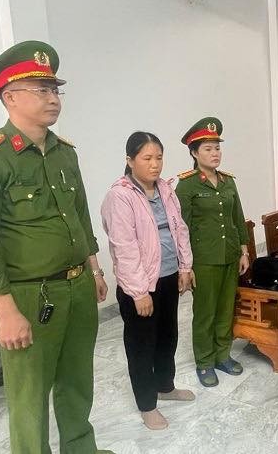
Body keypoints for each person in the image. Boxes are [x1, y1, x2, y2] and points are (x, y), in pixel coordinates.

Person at [0, 41, 113, 453]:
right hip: (28, 296)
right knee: (29, 398)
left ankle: (81, 448)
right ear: (10, 97)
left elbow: (80, 216)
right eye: (40, 90)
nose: (52, 98)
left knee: (77, 382)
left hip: (78, 287)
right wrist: (5, 311)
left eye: (55, 89)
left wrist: (95, 270)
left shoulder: (65, 153)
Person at [101, 131, 196, 430]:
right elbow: (124, 247)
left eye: (159, 158)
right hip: (140, 286)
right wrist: (139, 292)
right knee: (142, 344)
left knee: (168, 336)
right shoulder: (120, 196)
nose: (155, 165)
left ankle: (165, 387)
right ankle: (147, 404)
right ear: (130, 161)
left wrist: (185, 267)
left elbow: (179, 229)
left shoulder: (166, 189)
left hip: (169, 277)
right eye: (147, 158)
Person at [175, 117, 249, 387]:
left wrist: (243, 251)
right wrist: (186, 266)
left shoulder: (228, 182)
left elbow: (237, 218)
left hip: (230, 256)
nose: (215, 153)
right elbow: (180, 228)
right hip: (203, 260)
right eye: (207, 149)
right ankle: (204, 362)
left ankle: (222, 355)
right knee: (205, 312)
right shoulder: (187, 185)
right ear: (194, 153)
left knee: (225, 309)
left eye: (217, 148)